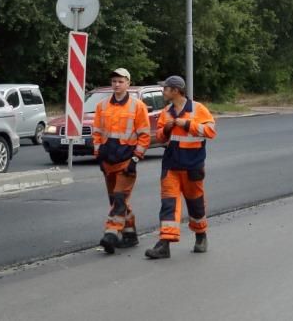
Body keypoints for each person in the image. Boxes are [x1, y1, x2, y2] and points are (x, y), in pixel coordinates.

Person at [144, 75, 217, 260]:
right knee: (168, 205)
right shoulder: (166, 112)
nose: (163, 91)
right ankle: (164, 244)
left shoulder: (198, 109)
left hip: (192, 166)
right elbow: (160, 137)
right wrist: (166, 129)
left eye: (166, 88)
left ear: (175, 91)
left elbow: (210, 131)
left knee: (196, 205)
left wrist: (187, 124)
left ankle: (201, 236)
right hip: (171, 166)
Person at [92, 67, 151, 254]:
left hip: (126, 160)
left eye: (120, 81)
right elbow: (97, 134)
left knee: (119, 198)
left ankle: (110, 233)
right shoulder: (102, 106)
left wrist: (135, 159)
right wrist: (99, 156)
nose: (116, 84)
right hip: (108, 161)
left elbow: (144, 136)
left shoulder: (137, 106)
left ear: (128, 83)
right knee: (117, 200)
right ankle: (130, 235)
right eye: (114, 81)